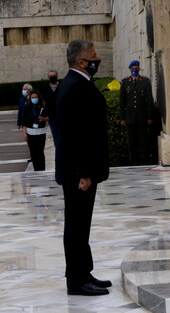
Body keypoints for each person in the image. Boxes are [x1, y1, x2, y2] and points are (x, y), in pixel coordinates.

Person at [55, 39, 111, 296]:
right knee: (76, 226)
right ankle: (76, 281)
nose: (96, 58)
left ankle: (83, 272)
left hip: (82, 172)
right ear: (81, 61)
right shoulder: (74, 87)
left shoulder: (78, 84)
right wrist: (83, 174)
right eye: (93, 55)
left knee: (81, 225)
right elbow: (74, 137)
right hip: (79, 174)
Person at [120, 60, 154, 165]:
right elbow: (122, 102)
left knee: (142, 142)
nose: (134, 70)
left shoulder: (145, 82)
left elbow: (149, 101)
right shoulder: (125, 82)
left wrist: (149, 117)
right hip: (129, 118)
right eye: (133, 68)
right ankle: (133, 164)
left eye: (136, 68)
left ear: (139, 69)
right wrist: (122, 118)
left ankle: (143, 163)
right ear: (130, 69)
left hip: (142, 118)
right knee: (131, 144)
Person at [22, 90, 49, 171]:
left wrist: (43, 118)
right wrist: (24, 134)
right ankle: (36, 170)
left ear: (38, 97)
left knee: (40, 153)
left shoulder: (43, 106)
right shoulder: (27, 107)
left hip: (41, 133)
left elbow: (49, 117)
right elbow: (24, 122)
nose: (34, 99)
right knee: (34, 154)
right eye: (33, 97)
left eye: (36, 97)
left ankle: (42, 170)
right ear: (30, 98)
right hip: (30, 133)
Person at [41, 70, 60, 146]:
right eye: (51, 76)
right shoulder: (45, 89)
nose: (52, 77)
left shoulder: (62, 86)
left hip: (62, 116)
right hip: (52, 118)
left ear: (57, 76)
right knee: (55, 136)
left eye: (54, 75)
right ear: (48, 77)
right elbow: (43, 104)